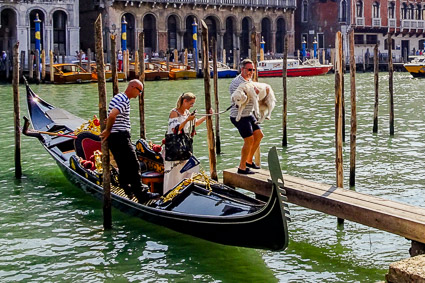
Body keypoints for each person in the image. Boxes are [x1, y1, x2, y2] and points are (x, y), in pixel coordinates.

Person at [100, 79, 158, 203]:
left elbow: (112, 116)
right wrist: (108, 130)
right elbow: (112, 115)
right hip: (120, 137)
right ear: (133, 87)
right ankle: (142, 195)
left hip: (116, 137)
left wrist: (110, 127)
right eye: (139, 91)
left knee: (123, 165)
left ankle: (127, 188)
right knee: (134, 165)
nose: (139, 95)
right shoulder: (124, 99)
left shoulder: (118, 97)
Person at [163, 92, 212, 194]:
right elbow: (175, 129)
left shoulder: (187, 113)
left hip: (185, 145)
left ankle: (184, 190)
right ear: (185, 101)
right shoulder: (174, 112)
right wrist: (187, 120)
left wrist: (207, 116)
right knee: (175, 171)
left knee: (192, 166)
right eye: (191, 103)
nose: (192, 106)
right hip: (175, 145)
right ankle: (171, 192)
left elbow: (196, 123)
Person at [229, 59, 264, 175]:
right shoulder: (236, 83)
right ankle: (242, 167)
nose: (251, 72)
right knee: (249, 140)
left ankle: (249, 161)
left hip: (249, 114)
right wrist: (253, 93)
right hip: (239, 115)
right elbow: (238, 99)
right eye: (249, 70)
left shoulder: (249, 81)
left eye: (253, 70)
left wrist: (256, 92)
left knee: (259, 135)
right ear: (242, 69)